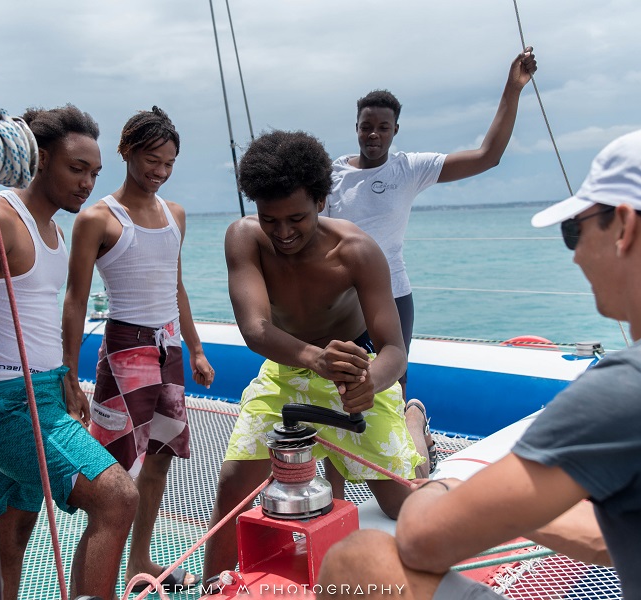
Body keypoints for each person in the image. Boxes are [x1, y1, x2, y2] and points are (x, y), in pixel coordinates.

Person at [317, 124, 641, 599]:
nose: (574, 258)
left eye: (574, 230)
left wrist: (444, 487)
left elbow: (420, 538)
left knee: (359, 557)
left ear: (626, 228)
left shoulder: (634, 388)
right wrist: (513, 508)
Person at [202, 130, 430, 582]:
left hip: (351, 372)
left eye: (296, 218)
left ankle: (413, 423)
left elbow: (393, 350)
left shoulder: (357, 252)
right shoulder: (243, 239)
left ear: (322, 201)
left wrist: (370, 383)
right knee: (233, 483)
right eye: (270, 219)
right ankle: (212, 589)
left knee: (403, 502)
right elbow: (255, 329)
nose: (283, 232)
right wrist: (312, 357)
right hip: (288, 369)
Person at [325, 49, 538, 470]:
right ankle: (345, 465)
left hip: (392, 296)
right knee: (339, 387)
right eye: (366, 126)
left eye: (383, 127)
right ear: (356, 128)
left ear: (395, 130)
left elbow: (487, 155)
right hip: (342, 301)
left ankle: (413, 423)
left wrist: (512, 88)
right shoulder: (330, 174)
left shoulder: (409, 169)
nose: (374, 135)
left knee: (392, 389)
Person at [0, 104, 138, 600]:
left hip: (44, 392)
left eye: (94, 173)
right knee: (116, 498)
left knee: (14, 530)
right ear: (40, 160)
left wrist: (66, 377)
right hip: (4, 403)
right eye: (76, 168)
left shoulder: (56, 233)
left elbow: (37, 314)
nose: (87, 183)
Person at [62, 106, 214, 592]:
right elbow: (75, 299)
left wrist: (195, 347)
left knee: (160, 459)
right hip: (126, 351)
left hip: (169, 349)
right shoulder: (98, 219)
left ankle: (139, 563)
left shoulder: (177, 216)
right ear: (126, 151)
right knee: (115, 477)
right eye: (152, 159)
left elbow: (176, 286)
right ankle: (90, 584)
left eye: (168, 164)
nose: (160, 172)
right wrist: (69, 372)